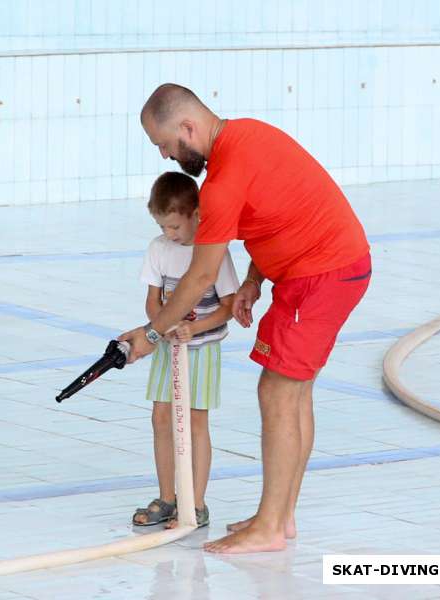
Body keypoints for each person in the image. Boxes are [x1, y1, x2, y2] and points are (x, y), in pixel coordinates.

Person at [119, 84, 371, 554]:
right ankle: (281, 516)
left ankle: (271, 528)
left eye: (166, 145)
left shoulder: (223, 180)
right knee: (293, 391)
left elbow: (199, 277)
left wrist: (151, 334)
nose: (167, 156)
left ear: (187, 128)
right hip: (322, 269)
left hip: (322, 274)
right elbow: (277, 215)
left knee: (278, 390)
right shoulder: (248, 137)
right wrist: (255, 279)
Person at [131, 172, 238, 530]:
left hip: (201, 350)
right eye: (163, 226)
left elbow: (227, 307)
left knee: (194, 422)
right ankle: (168, 497)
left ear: (196, 214)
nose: (170, 235)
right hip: (166, 349)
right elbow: (152, 301)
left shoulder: (213, 251)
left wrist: (193, 328)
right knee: (161, 418)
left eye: (175, 226)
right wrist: (162, 328)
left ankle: (196, 503)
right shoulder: (159, 248)